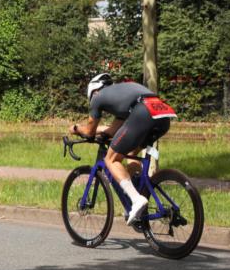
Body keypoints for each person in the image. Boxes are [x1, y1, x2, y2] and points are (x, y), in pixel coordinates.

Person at [70, 73, 176, 225]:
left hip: (143, 113)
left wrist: (75, 128)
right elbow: (113, 131)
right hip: (162, 114)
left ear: (94, 90)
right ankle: (140, 196)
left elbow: (89, 131)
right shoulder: (122, 96)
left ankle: (136, 200)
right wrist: (103, 133)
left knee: (111, 159)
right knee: (131, 154)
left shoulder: (98, 97)